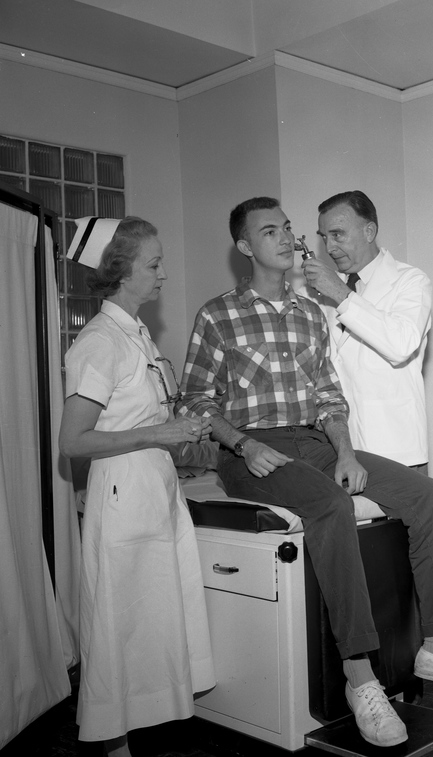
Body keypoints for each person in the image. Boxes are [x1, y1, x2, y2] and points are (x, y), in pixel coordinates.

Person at [177, 197, 433, 749]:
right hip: (249, 451)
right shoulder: (218, 314)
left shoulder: (312, 311)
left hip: (317, 441)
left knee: (427, 494)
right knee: (332, 507)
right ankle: (362, 680)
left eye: (289, 228)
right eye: (272, 231)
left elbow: (330, 396)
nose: (289, 238)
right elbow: (194, 401)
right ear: (244, 247)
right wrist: (241, 444)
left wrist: (346, 453)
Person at [59, 216, 215, 757]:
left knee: (150, 620)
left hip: (154, 493)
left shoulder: (137, 335)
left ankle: (138, 731)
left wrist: (179, 431)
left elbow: (136, 417)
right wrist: (160, 431)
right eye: (153, 264)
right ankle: (111, 742)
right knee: (118, 623)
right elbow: (74, 441)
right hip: (123, 499)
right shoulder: (100, 341)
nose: (164, 274)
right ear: (121, 272)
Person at [302, 190, 431, 471]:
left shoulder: (410, 281)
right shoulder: (315, 292)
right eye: (324, 237)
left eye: (338, 235)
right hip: (337, 450)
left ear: (369, 231)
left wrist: (339, 293)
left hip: (395, 447)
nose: (330, 248)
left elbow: (400, 346)